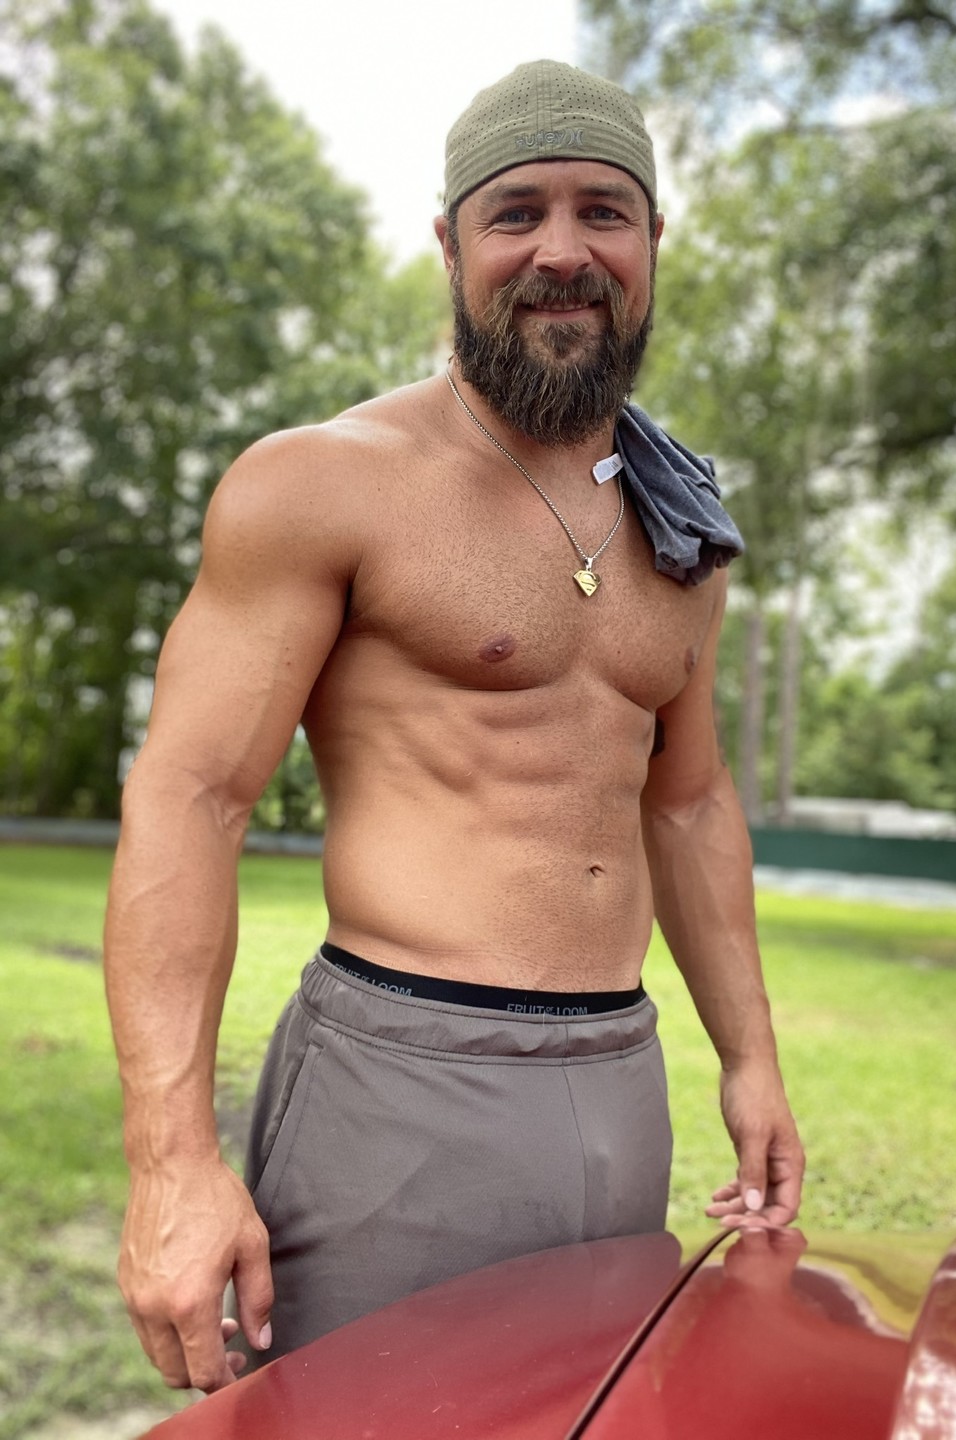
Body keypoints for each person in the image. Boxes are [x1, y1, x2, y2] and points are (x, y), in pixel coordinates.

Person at [104, 58, 804, 1396]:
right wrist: (171, 1162)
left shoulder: (684, 530)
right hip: (401, 1085)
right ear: (450, 244)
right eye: (516, 212)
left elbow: (689, 801)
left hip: (624, 1076)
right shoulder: (322, 484)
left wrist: (751, 1060)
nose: (562, 250)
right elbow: (189, 795)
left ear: (654, 241)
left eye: (604, 211)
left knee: (594, 1414)